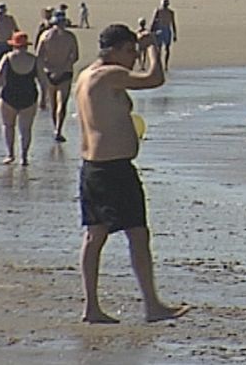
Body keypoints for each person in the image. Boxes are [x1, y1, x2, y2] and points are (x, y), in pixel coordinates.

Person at [73, 23, 187, 324]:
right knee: (137, 233)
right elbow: (154, 79)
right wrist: (152, 46)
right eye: (129, 51)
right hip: (112, 169)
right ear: (112, 51)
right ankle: (152, 306)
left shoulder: (86, 75)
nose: (133, 57)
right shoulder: (108, 74)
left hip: (93, 168)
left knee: (95, 235)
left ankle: (92, 308)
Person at [0, 31, 49, 165]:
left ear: (13, 45)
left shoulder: (7, 58)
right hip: (29, 96)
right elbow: (43, 80)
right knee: (26, 129)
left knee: (8, 126)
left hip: (9, 96)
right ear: (26, 46)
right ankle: (24, 157)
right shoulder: (34, 60)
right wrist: (44, 98)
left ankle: (10, 154)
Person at [38, 13, 81, 142]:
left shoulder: (45, 36)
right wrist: (62, 68)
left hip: (51, 72)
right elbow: (75, 56)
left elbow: (39, 57)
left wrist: (51, 68)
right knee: (60, 104)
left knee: (55, 103)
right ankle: (58, 129)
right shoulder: (70, 37)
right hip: (64, 72)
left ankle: (56, 129)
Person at [149, 0, 177, 69]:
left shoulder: (171, 12)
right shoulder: (158, 11)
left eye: (166, 3)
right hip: (160, 29)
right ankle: (159, 64)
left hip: (167, 30)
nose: (165, 4)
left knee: (167, 48)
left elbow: (173, 23)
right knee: (159, 48)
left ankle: (166, 65)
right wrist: (151, 30)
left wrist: (175, 34)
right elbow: (153, 20)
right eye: (164, 2)